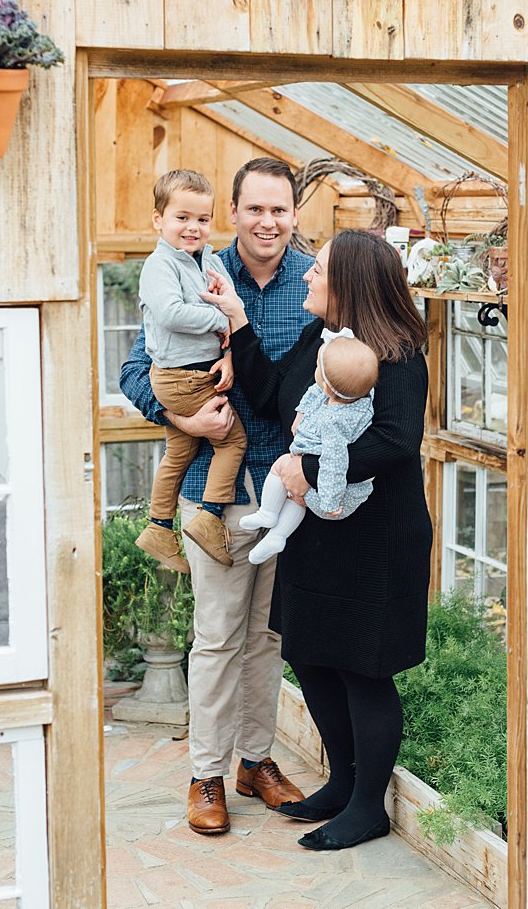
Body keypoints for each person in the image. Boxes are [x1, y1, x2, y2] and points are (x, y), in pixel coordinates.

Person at [204, 229, 431, 851]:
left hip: (375, 541)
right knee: (310, 656)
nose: (307, 275)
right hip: (316, 534)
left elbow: (395, 441)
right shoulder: (320, 339)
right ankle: (341, 782)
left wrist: (307, 470)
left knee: (363, 669)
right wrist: (240, 323)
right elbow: (274, 397)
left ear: (351, 284)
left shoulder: (400, 353)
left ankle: (367, 807)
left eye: (320, 270)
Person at [120, 157, 312, 835]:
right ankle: (206, 772)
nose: (267, 222)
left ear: (295, 214)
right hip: (215, 488)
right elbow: (136, 367)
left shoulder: (313, 282)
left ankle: (255, 763)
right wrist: (179, 418)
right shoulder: (194, 264)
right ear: (235, 212)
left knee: (268, 637)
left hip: (287, 490)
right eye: (254, 209)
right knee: (217, 636)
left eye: (279, 210)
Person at [134, 169, 246, 574]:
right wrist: (221, 319)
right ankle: (209, 517)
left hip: (195, 372)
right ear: (158, 219)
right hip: (181, 377)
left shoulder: (210, 261)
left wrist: (229, 346)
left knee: (178, 453)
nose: (193, 227)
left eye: (202, 218)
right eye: (182, 217)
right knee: (231, 441)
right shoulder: (159, 266)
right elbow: (171, 313)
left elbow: (231, 308)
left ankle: (159, 526)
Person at [239, 331, 379, 565]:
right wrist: (301, 413)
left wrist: (330, 501)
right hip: (329, 490)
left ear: (328, 387)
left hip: (336, 498)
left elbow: (335, 462)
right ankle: (277, 536)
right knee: (295, 499)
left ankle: (268, 513)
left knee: (282, 465)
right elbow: (315, 391)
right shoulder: (362, 396)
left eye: (317, 366)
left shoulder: (333, 422)